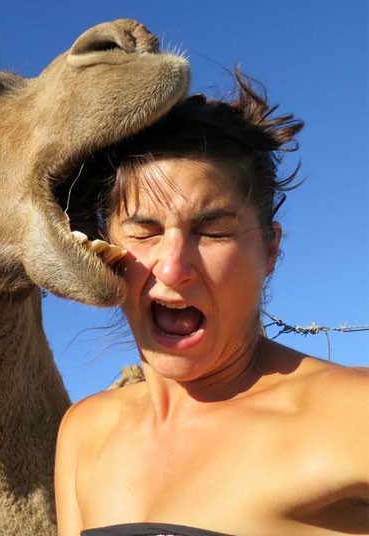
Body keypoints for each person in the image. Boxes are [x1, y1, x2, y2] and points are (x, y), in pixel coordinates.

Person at [54, 72, 369, 536]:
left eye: (214, 231)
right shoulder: (85, 432)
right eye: (144, 232)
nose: (173, 267)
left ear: (270, 250)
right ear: (105, 249)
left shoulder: (351, 413)